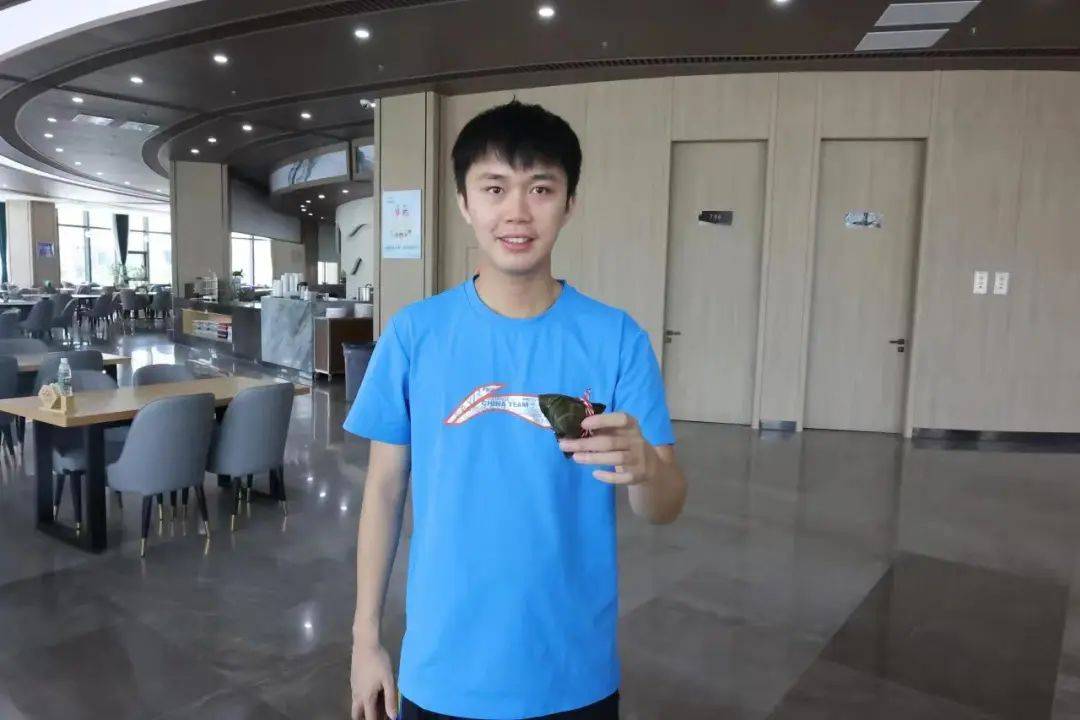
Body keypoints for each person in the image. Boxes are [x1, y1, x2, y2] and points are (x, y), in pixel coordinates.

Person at [346, 100, 688, 720]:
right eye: (495, 188)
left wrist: (645, 468)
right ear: (464, 202)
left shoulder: (616, 339)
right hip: (442, 669)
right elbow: (384, 490)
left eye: (541, 189)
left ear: (570, 203)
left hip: (573, 673)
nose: (517, 213)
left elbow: (662, 506)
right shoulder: (415, 334)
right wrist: (365, 640)